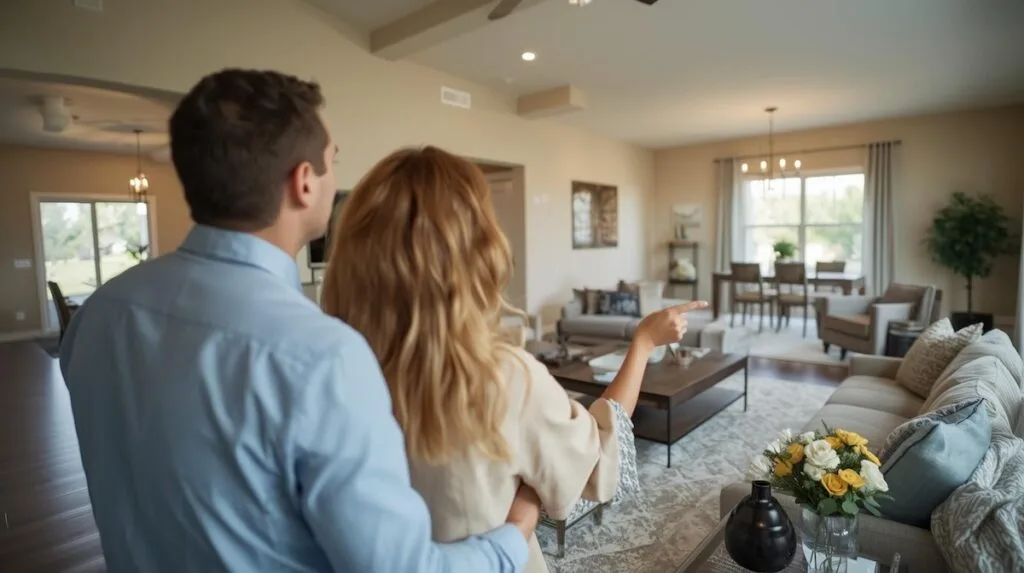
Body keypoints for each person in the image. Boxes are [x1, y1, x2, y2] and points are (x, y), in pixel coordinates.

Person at [59, 69, 541, 573]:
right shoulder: (321, 356)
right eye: (334, 161)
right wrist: (515, 532)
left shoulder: (100, 314)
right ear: (304, 182)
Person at [320, 145, 708, 572]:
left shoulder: (323, 375)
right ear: (477, 253)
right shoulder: (504, 378)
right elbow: (594, 449)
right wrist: (643, 343)